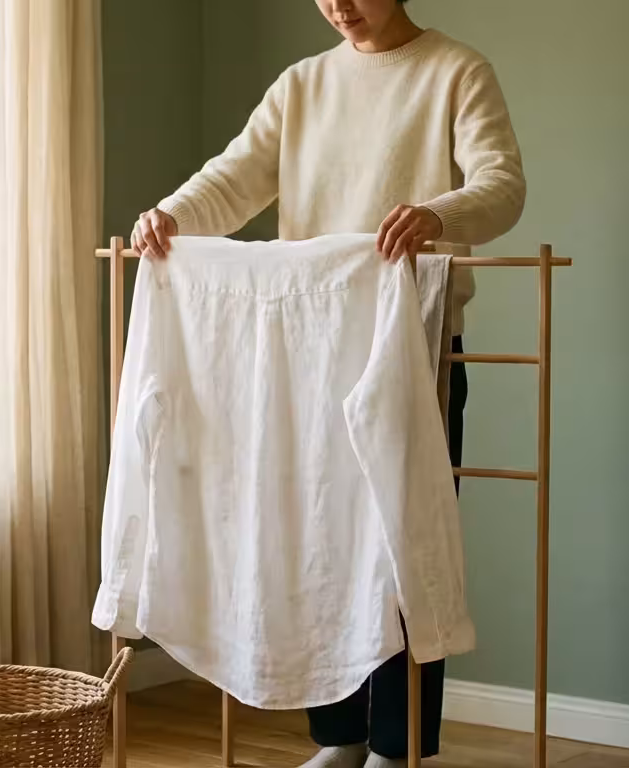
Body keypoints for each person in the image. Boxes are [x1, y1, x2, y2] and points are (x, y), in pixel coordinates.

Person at [132, 1, 526, 766]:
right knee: (317, 536)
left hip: (413, 345)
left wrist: (435, 215)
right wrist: (171, 216)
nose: (339, 7)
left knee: (406, 548)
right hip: (307, 352)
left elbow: (502, 186)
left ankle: (398, 746)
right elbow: (237, 176)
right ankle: (340, 738)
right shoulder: (302, 84)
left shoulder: (455, 71)